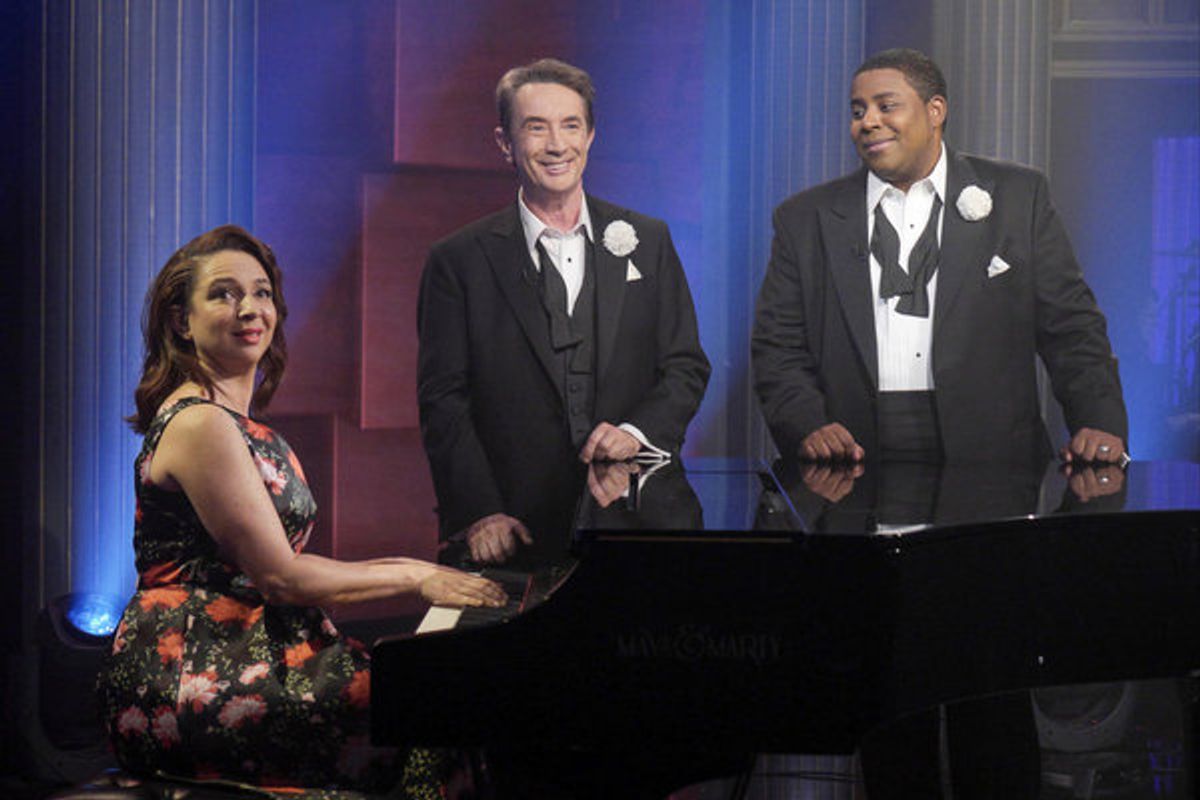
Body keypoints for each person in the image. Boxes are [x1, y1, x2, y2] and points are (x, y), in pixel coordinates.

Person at [97, 225, 506, 795]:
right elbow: (282, 578)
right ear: (180, 322)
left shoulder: (238, 425)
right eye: (223, 293)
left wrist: (430, 573)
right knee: (435, 709)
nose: (250, 308)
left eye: (261, 292)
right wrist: (417, 578)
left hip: (250, 651)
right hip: (197, 671)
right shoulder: (200, 424)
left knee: (443, 702)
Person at [752, 48, 1128, 467]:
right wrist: (808, 424)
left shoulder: (1019, 198)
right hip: (850, 459)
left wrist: (1099, 419)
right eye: (857, 111)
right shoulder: (804, 218)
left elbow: (1072, 327)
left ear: (935, 111)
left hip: (993, 459)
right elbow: (777, 346)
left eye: (885, 106)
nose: (868, 121)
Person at [417, 58, 710, 567]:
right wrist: (481, 512)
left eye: (570, 125)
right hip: (515, 529)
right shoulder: (457, 260)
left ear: (590, 135)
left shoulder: (649, 240)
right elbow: (444, 400)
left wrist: (635, 434)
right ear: (505, 142)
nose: (557, 145)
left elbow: (685, 365)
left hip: (638, 522)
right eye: (536, 128)